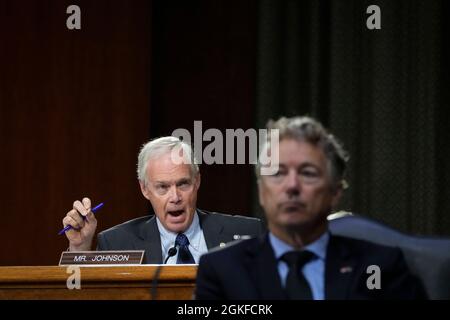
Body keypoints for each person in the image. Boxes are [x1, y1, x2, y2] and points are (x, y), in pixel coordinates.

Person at [195, 116, 427, 299]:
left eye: (308, 173)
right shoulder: (222, 271)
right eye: (278, 173)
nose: (292, 186)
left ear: (335, 193)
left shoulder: (380, 266)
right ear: (261, 192)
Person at [61, 136, 264, 264]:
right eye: (162, 187)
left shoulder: (248, 233)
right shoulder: (117, 243)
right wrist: (80, 249)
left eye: (183, 184)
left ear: (197, 181)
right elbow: (80, 294)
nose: (175, 197)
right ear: (144, 189)